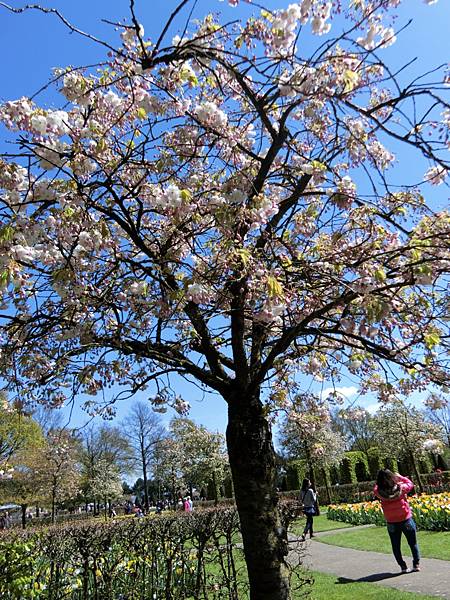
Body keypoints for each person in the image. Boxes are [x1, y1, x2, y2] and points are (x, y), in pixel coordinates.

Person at [374, 469, 420, 573]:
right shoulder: (401, 488)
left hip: (391, 522)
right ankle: (416, 564)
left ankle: (403, 567)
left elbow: (375, 488)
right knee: (413, 543)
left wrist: (379, 481)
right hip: (406, 519)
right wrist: (400, 477)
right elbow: (410, 484)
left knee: (396, 546)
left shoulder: (379, 492)